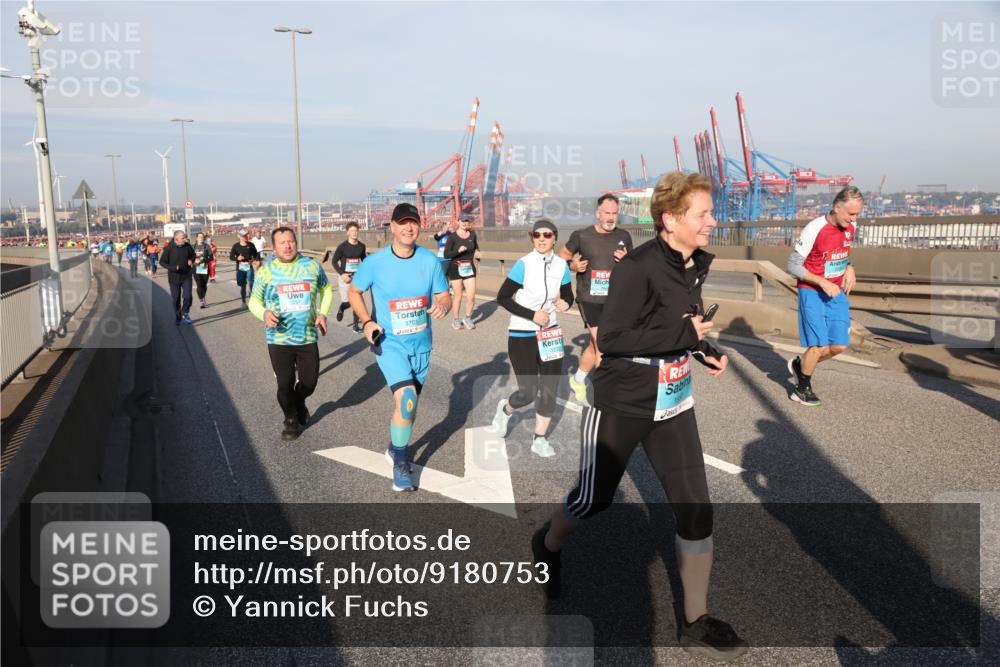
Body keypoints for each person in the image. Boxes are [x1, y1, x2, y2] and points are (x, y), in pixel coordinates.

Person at [532, 172, 747, 662]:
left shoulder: (693, 263)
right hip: (624, 400)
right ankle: (547, 544)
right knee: (594, 499)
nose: (713, 221)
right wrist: (684, 333)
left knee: (696, 509)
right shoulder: (640, 267)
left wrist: (703, 348)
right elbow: (612, 338)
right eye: (704, 214)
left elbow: (677, 325)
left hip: (672, 402)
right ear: (671, 220)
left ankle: (694, 620)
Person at [348, 203, 450, 492]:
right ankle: (402, 463)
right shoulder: (375, 263)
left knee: (409, 408)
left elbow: (444, 294)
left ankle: (395, 447)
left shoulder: (429, 261)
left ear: (419, 227)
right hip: (388, 343)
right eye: (402, 223)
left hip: (421, 346)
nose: (408, 228)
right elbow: (355, 290)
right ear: (391, 227)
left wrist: (443, 304)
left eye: (413, 223)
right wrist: (367, 321)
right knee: (407, 402)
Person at [492, 219, 574, 457]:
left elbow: (569, 294)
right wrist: (531, 315)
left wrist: (565, 302)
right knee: (528, 392)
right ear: (532, 238)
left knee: (549, 391)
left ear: (554, 238)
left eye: (546, 235)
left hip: (550, 334)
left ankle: (539, 439)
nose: (541, 238)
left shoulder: (561, 265)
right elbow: (503, 297)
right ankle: (506, 410)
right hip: (522, 334)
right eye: (536, 234)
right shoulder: (524, 264)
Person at [249, 226, 333, 441]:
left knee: (309, 383)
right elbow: (254, 301)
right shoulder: (266, 271)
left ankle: (300, 400)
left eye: (291, 241)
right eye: (282, 243)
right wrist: (264, 313)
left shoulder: (311, 266)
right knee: (284, 384)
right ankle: (290, 419)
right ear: (274, 247)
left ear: (296, 242)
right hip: (278, 337)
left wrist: (323, 313)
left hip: (306, 336)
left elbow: (325, 289)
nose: (287, 246)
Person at [785, 186, 862, 406]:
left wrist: (850, 266)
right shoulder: (814, 229)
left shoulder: (850, 226)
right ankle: (801, 388)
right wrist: (822, 281)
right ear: (837, 207)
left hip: (835, 292)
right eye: (851, 214)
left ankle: (801, 365)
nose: (854, 218)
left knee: (839, 345)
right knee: (818, 344)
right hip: (813, 290)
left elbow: (842, 251)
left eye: (857, 214)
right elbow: (792, 265)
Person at [561, 193, 633, 403]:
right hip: (589, 298)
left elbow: (634, 266)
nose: (611, 217)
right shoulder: (581, 236)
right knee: (603, 345)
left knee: (595, 345)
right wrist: (572, 266)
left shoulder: (624, 236)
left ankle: (578, 379)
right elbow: (561, 258)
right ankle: (608, 395)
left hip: (615, 300)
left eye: (614, 213)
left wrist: (628, 260)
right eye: (607, 213)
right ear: (598, 213)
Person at [443, 216, 481, 330]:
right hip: (456, 268)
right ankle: (455, 319)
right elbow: (446, 254)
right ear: (458, 222)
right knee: (458, 296)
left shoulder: (473, 235)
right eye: (462, 221)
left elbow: (476, 247)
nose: (465, 223)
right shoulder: (452, 237)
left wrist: (478, 252)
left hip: (469, 267)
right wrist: (457, 251)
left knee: (471, 296)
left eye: (467, 221)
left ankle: (468, 318)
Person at [331, 221, 367, 332]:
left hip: (356, 277)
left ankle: (356, 326)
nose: (354, 233)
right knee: (348, 302)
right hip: (345, 277)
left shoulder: (361, 246)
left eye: (356, 231)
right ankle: (342, 307)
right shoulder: (342, 247)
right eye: (352, 231)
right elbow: (334, 261)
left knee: (357, 300)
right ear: (347, 233)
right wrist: (342, 274)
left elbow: (364, 260)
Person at [159, 230, 196, 325]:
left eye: (184, 237)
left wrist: (191, 260)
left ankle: (185, 312)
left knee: (187, 296)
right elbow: (162, 262)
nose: (185, 239)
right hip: (174, 277)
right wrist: (173, 268)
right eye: (183, 238)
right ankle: (178, 316)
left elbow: (193, 255)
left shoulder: (187, 246)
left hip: (186, 275)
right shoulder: (169, 248)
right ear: (176, 239)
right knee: (175, 299)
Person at [230, 229, 260, 306]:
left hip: (248, 266)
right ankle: (243, 301)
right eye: (244, 236)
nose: (246, 236)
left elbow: (256, 254)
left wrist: (253, 260)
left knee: (251, 281)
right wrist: (237, 258)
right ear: (239, 237)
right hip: (240, 268)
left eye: (247, 235)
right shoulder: (235, 246)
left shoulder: (251, 245)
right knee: (243, 286)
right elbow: (231, 257)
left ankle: (251, 292)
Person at [191, 232, 214, 309]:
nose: (201, 238)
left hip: (204, 267)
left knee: (204, 285)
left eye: (202, 237)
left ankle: (203, 297)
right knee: (199, 284)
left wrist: (204, 259)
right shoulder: (192, 246)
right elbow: (189, 256)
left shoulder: (206, 246)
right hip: (195, 267)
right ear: (196, 238)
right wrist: (194, 260)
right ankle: (202, 301)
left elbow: (211, 257)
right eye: (199, 237)